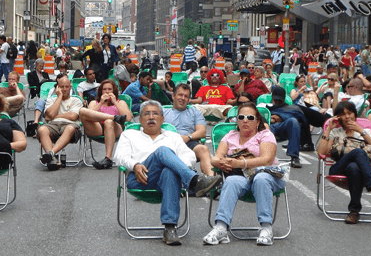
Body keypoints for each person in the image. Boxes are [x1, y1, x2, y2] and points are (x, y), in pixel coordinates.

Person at [113, 100, 222, 246]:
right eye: (147, 114)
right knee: (163, 151)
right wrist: (135, 165)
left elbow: (189, 156)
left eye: (155, 114)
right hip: (140, 178)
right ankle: (194, 182)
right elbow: (119, 157)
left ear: (162, 119)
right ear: (140, 120)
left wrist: (175, 164)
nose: (151, 117)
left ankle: (170, 228)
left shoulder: (173, 136)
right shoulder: (129, 135)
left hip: (165, 180)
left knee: (170, 171)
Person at [203, 102, 285, 246]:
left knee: (260, 178)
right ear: (237, 120)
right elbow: (216, 157)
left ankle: (266, 228)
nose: (245, 120)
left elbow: (267, 159)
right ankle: (221, 227)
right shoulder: (231, 136)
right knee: (231, 181)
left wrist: (240, 163)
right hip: (242, 178)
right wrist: (220, 163)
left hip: (267, 176)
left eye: (250, 117)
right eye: (241, 117)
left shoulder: (265, 135)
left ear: (258, 121)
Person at [317, 101, 371, 224]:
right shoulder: (335, 132)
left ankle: (354, 211)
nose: (347, 117)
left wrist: (361, 131)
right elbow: (321, 153)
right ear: (338, 117)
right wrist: (328, 129)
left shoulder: (364, 131)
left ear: (355, 114)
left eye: (350, 113)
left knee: (354, 168)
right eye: (343, 114)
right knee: (358, 152)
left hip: (359, 170)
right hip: (338, 168)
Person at [79, 79, 132, 169]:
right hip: (97, 128)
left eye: (109, 89)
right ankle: (113, 117)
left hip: (115, 128)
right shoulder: (94, 102)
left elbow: (128, 118)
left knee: (108, 122)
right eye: (104, 89)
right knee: (82, 111)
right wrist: (100, 103)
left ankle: (108, 159)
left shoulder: (121, 102)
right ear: (101, 91)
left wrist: (115, 102)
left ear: (114, 91)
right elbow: (88, 116)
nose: (107, 91)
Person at [164, 84, 214, 176]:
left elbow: (202, 131)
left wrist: (188, 137)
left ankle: (211, 181)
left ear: (188, 100)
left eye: (186, 96)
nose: (183, 98)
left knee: (203, 148)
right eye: (180, 95)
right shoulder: (163, 112)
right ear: (173, 96)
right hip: (168, 143)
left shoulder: (194, 112)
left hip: (188, 142)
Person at [37, 76, 83, 171]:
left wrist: (55, 116)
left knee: (70, 128)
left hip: (70, 125)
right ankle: (52, 160)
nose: (64, 89)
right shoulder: (51, 100)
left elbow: (73, 116)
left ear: (70, 87)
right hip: (52, 125)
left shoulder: (76, 100)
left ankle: (51, 153)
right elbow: (49, 116)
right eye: (62, 87)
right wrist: (59, 97)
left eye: (67, 87)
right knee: (42, 129)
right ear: (57, 87)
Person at [267, 86, 306, 168]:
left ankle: (295, 157)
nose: (277, 101)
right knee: (264, 126)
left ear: (283, 99)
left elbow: (301, 118)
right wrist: (270, 118)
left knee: (293, 121)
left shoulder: (291, 108)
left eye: (279, 100)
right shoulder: (265, 107)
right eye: (275, 99)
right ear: (272, 98)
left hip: (284, 128)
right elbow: (258, 116)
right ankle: (264, 157)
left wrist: (280, 117)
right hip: (268, 127)